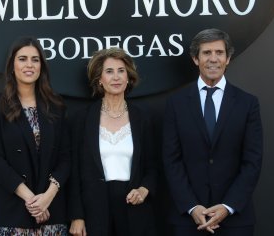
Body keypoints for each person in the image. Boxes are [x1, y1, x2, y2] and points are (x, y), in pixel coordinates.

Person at [163, 28, 263, 236]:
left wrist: (228, 206)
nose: (213, 59)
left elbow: (252, 161)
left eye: (219, 52)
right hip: (188, 219)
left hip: (236, 220)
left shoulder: (247, 103)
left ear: (228, 59)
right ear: (195, 59)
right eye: (206, 53)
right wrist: (192, 206)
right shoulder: (176, 103)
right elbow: (171, 160)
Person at [0, 36, 70, 235]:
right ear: (12, 65)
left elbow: (66, 158)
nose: (29, 65)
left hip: (51, 213)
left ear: (41, 67)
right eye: (22, 59)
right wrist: (31, 200)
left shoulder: (56, 106)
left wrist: (47, 196)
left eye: (35, 59)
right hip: (10, 213)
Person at [68, 48, 157, 236]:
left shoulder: (143, 117)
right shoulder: (82, 119)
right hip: (94, 210)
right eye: (109, 71)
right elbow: (74, 172)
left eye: (121, 71)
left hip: (134, 208)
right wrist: (77, 216)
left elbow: (153, 166)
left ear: (128, 77)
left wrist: (144, 189)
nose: (116, 77)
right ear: (99, 79)